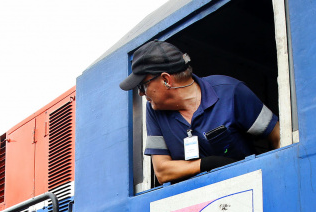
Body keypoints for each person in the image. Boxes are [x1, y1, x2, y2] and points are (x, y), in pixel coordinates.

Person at [120, 40, 280, 184]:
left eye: (142, 86)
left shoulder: (231, 92)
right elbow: (162, 171)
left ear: (166, 80)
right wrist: (206, 164)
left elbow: (278, 135)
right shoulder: (154, 111)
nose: (141, 93)